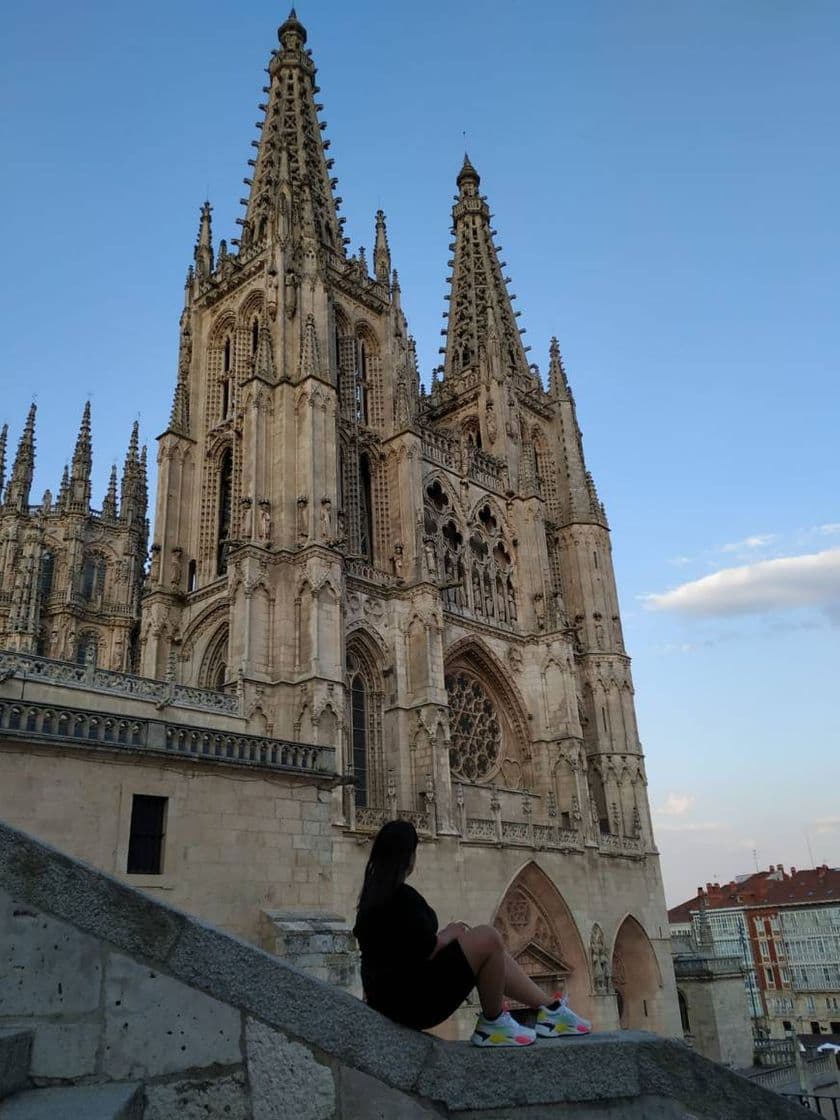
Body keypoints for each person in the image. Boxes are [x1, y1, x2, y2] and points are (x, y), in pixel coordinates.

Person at [353, 819, 591, 1047]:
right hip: (414, 1001)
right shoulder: (401, 899)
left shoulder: (372, 900)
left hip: (391, 1000)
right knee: (488, 937)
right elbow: (423, 951)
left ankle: (550, 1009)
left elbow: (398, 955)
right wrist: (448, 934)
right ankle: (494, 1021)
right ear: (408, 857)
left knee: (491, 948)